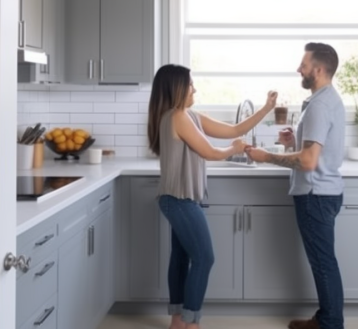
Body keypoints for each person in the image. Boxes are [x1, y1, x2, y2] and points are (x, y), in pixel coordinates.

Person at [147, 64, 277, 329]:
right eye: (190, 83)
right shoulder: (177, 116)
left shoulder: (189, 115)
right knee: (205, 258)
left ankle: (177, 321)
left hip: (179, 199)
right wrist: (234, 149)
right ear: (177, 88)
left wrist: (266, 109)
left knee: (181, 258)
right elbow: (210, 152)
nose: (195, 87)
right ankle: (191, 323)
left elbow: (233, 129)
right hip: (179, 199)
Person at [246, 43, 346, 329]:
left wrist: (267, 157)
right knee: (324, 262)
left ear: (318, 69)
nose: (298, 69)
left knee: (324, 264)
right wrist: (294, 142)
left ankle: (331, 324)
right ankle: (326, 318)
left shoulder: (319, 105)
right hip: (326, 192)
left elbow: (308, 161)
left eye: (303, 64)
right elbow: (316, 150)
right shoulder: (327, 100)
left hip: (315, 195)